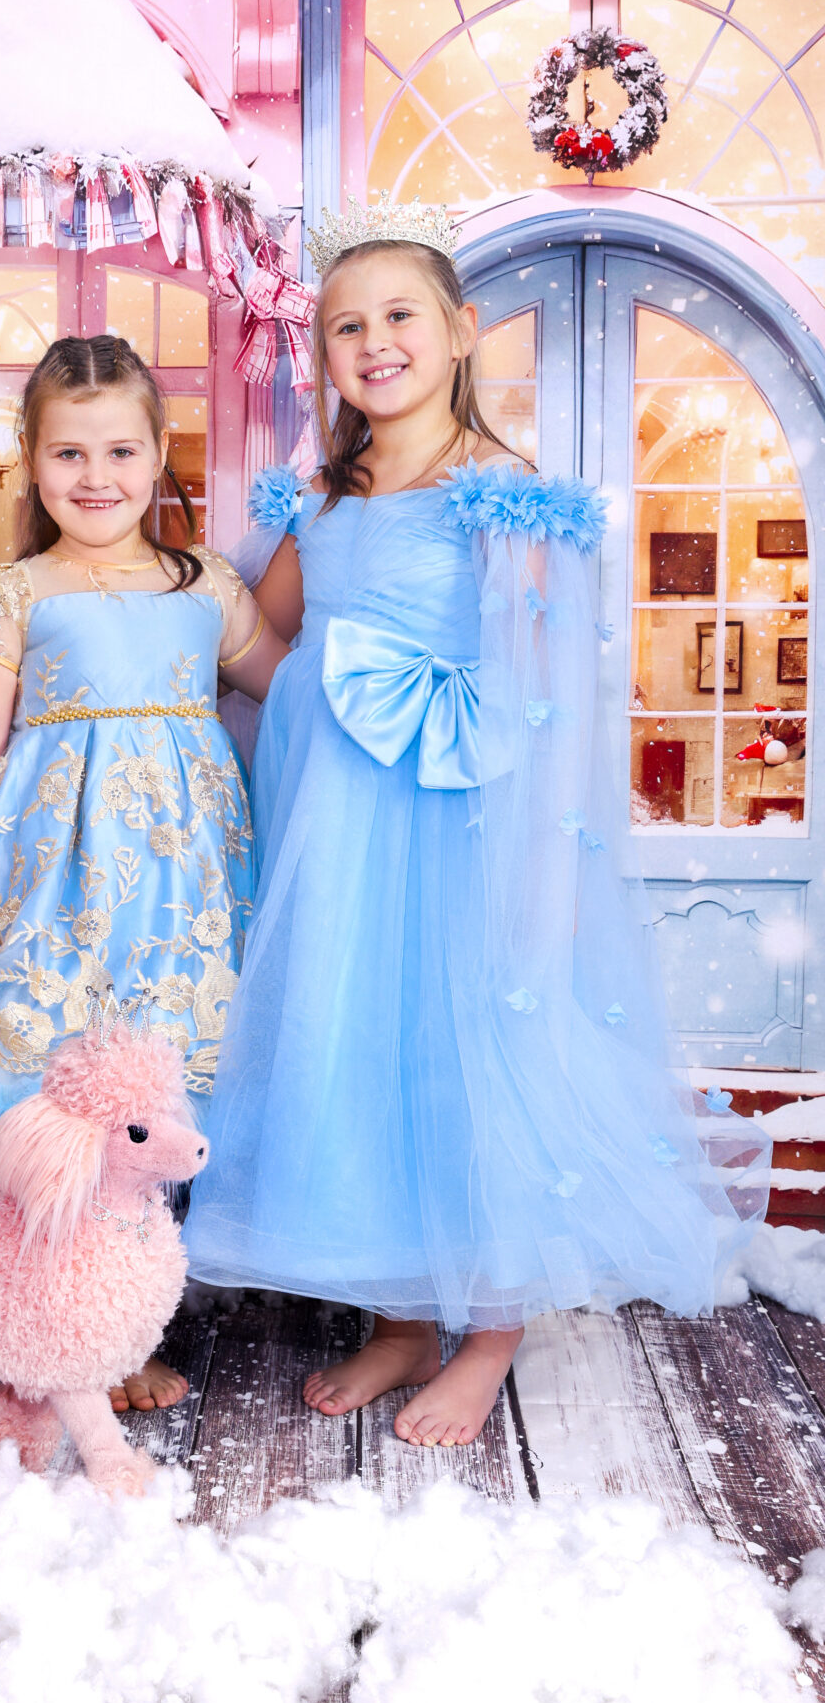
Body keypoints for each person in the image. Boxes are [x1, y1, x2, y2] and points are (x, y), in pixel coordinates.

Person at [184, 197, 768, 1447]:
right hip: (333, 839)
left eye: (398, 316)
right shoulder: (317, 500)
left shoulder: (498, 495)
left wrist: (534, 882)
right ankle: (397, 1315)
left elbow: (547, 698)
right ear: (321, 354)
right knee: (359, 1056)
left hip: (452, 833)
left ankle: (488, 1335)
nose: (372, 341)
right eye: (346, 325)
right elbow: (270, 648)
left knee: (468, 1056)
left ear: (456, 333)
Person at [0, 334, 286, 1411]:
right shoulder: (12, 593)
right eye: (68, 453)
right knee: (68, 1097)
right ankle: (72, 1333)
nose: (96, 477)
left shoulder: (201, 586)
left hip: (183, 891)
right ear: (30, 461)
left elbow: (290, 690)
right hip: (54, 889)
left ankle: (121, 1317)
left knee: (154, 1097)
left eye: (120, 451)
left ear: (159, 450)